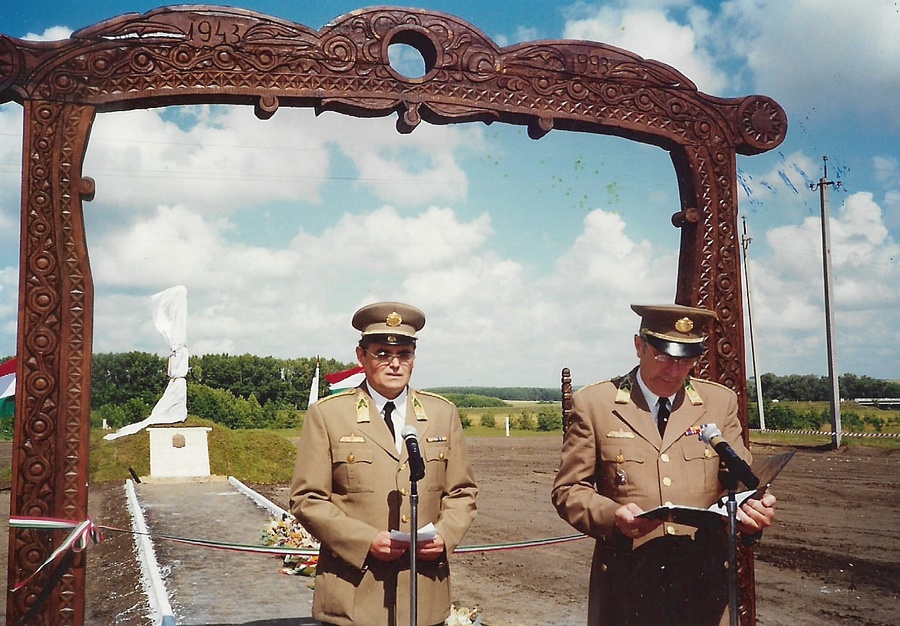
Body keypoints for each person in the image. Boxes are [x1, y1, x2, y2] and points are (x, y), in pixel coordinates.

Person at [551, 303, 777, 626]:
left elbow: (741, 484)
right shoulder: (595, 405)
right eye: (664, 356)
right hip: (628, 591)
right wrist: (610, 516)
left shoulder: (719, 403)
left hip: (703, 592)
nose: (674, 370)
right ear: (639, 345)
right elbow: (568, 489)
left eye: (686, 359)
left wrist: (754, 514)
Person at [290, 301, 478, 626]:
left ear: (414, 359)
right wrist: (364, 541)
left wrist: (446, 535)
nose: (395, 364)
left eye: (404, 354)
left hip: (424, 593)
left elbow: (461, 491)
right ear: (361, 356)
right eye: (382, 354)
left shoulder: (441, 414)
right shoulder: (329, 415)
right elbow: (307, 499)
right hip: (354, 593)